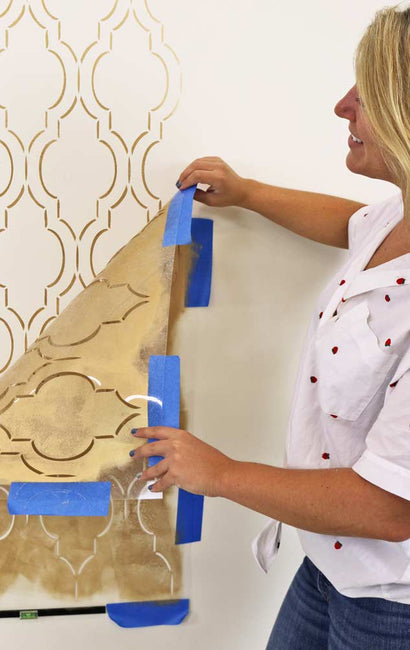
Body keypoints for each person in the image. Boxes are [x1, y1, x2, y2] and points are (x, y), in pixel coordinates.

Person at [132, 5, 410, 648]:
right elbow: (350, 223)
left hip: (393, 600)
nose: (342, 106)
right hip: (331, 565)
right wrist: (249, 193)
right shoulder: (394, 219)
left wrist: (219, 473)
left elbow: (390, 508)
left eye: (367, 93)